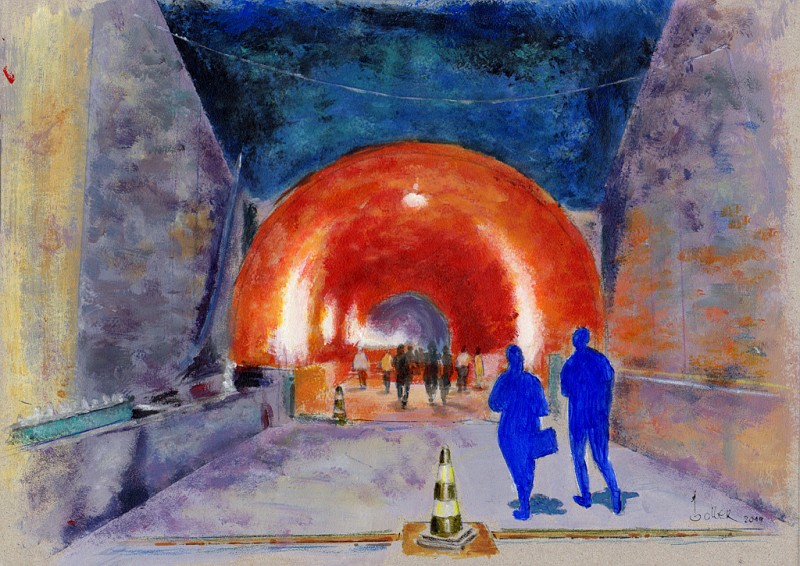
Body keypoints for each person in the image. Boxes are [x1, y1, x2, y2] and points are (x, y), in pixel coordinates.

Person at [561, 327, 622, 514]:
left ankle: (586, 497)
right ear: (587, 340)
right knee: (601, 458)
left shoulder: (570, 365)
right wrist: (604, 405)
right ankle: (615, 492)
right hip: (598, 417)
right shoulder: (600, 360)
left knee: (579, 458)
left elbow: (565, 391)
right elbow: (610, 380)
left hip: (578, 419)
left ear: (575, 342)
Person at [488, 345, 550, 520]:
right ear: (521, 360)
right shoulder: (532, 381)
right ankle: (525, 501)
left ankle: (524, 503)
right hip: (529, 430)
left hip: (508, 431)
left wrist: (508, 404)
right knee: (528, 466)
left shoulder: (504, 380)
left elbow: (494, 404)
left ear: (509, 360)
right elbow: (543, 408)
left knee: (516, 467)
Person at [394, 344, 411, 409]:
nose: (403, 350)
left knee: (406, 388)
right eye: (401, 349)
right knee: (399, 388)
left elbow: (407, 365)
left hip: (406, 374)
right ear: (398, 349)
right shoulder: (396, 357)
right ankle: (401, 400)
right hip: (400, 375)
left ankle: (404, 401)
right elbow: (395, 365)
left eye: (403, 349)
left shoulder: (405, 356)